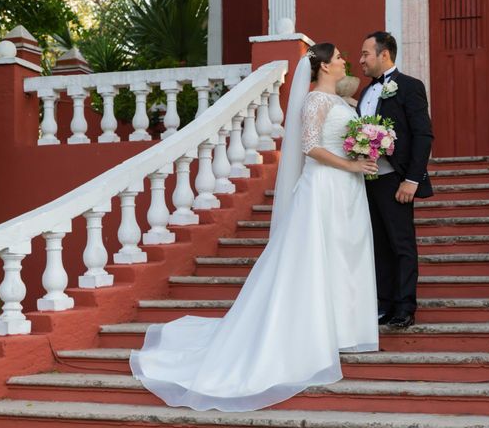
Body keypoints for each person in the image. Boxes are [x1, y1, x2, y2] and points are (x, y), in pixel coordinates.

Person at [130, 43, 379, 412]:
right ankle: (311, 332)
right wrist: (352, 166)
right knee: (316, 256)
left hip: (346, 190)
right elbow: (310, 146)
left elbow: (339, 143)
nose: (345, 61)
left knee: (343, 255)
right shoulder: (314, 102)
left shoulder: (343, 103)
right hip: (324, 188)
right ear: (325, 66)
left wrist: (363, 152)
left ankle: (343, 328)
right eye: (340, 57)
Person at [357, 31, 434, 329]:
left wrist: (412, 180)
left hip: (396, 181)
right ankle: (385, 304)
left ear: (384, 54)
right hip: (368, 180)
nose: (361, 60)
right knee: (378, 245)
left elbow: (423, 134)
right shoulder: (365, 93)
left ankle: (405, 307)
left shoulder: (410, 87)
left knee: (401, 244)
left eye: (366, 54)